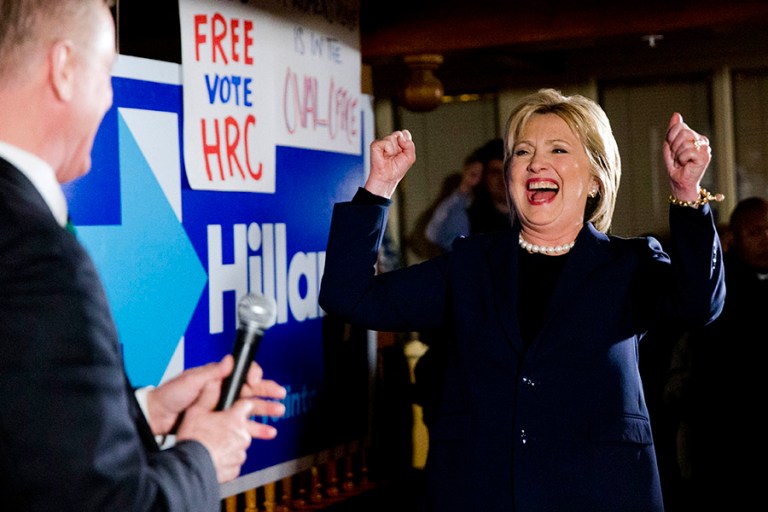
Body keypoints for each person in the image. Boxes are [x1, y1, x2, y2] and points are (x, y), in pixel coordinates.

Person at [318, 88, 725, 512]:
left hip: (600, 494)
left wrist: (686, 191)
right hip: (478, 495)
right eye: (522, 151)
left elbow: (700, 303)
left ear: (596, 178)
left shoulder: (629, 265)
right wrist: (379, 186)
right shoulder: (470, 265)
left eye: (558, 149)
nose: (536, 163)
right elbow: (349, 296)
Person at [0, 1, 286, 510]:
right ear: (63, 69)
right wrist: (203, 457)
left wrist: (147, 411)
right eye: (106, 71)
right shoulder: (38, 255)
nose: (110, 97)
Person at [669, 196, 768, 510]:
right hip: (727, 432)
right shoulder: (719, 288)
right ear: (733, 237)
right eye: (755, 232)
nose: (765, 240)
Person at [423, 147, 485, 253]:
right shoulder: (452, 200)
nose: (476, 181)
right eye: (473, 175)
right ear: (465, 170)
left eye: (481, 177)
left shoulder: (483, 204)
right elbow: (431, 232)